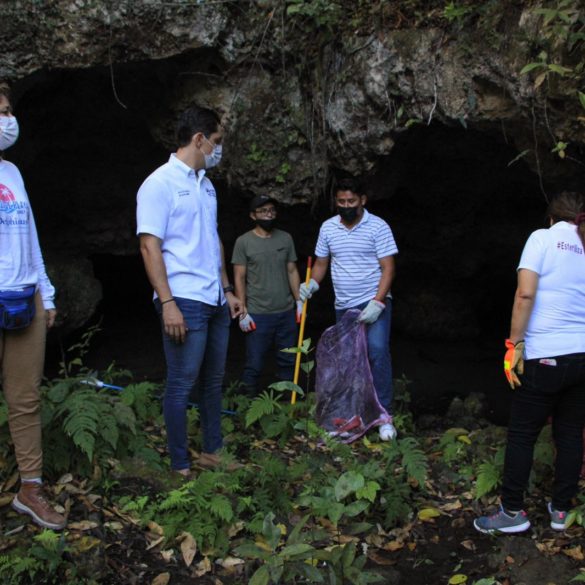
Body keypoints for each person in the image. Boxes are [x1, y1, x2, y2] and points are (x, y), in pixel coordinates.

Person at [137, 105, 242, 476]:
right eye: (216, 142)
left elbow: (213, 239)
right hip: (182, 299)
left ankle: (213, 452)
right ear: (198, 140)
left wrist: (228, 289)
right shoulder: (159, 184)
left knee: (213, 381)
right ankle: (180, 463)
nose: (218, 149)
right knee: (182, 383)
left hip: (213, 298)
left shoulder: (207, 186)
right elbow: (150, 246)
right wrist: (167, 302)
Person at [474, 191, 585, 534]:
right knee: (569, 434)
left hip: (544, 354)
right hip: (582, 356)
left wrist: (514, 344)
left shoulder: (542, 238)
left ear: (551, 218)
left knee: (522, 435)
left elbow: (525, 293)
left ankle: (512, 513)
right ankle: (561, 512)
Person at [0, 82, 66, 530]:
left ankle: (30, 489)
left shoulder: (13, 173)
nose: (8, 119)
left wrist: (46, 291)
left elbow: (31, 237)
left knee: (25, 399)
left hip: (24, 299)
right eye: (0, 111)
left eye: (8, 110)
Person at [299, 177, 398, 441]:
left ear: (362, 200)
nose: (346, 206)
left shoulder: (378, 227)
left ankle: (384, 417)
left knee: (376, 353)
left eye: (351, 201)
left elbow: (388, 267)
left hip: (373, 301)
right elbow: (321, 262)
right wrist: (312, 284)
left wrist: (378, 302)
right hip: (344, 305)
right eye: (341, 202)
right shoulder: (328, 228)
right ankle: (348, 416)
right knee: (346, 362)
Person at [232, 195, 302, 395]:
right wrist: (243, 311)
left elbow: (292, 270)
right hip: (258, 313)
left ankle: (288, 404)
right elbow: (239, 276)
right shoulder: (243, 242)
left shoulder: (285, 238)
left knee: (288, 360)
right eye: (263, 211)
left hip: (286, 311)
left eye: (271, 210)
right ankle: (249, 403)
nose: (268, 214)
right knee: (254, 361)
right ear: (253, 215)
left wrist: (299, 301)